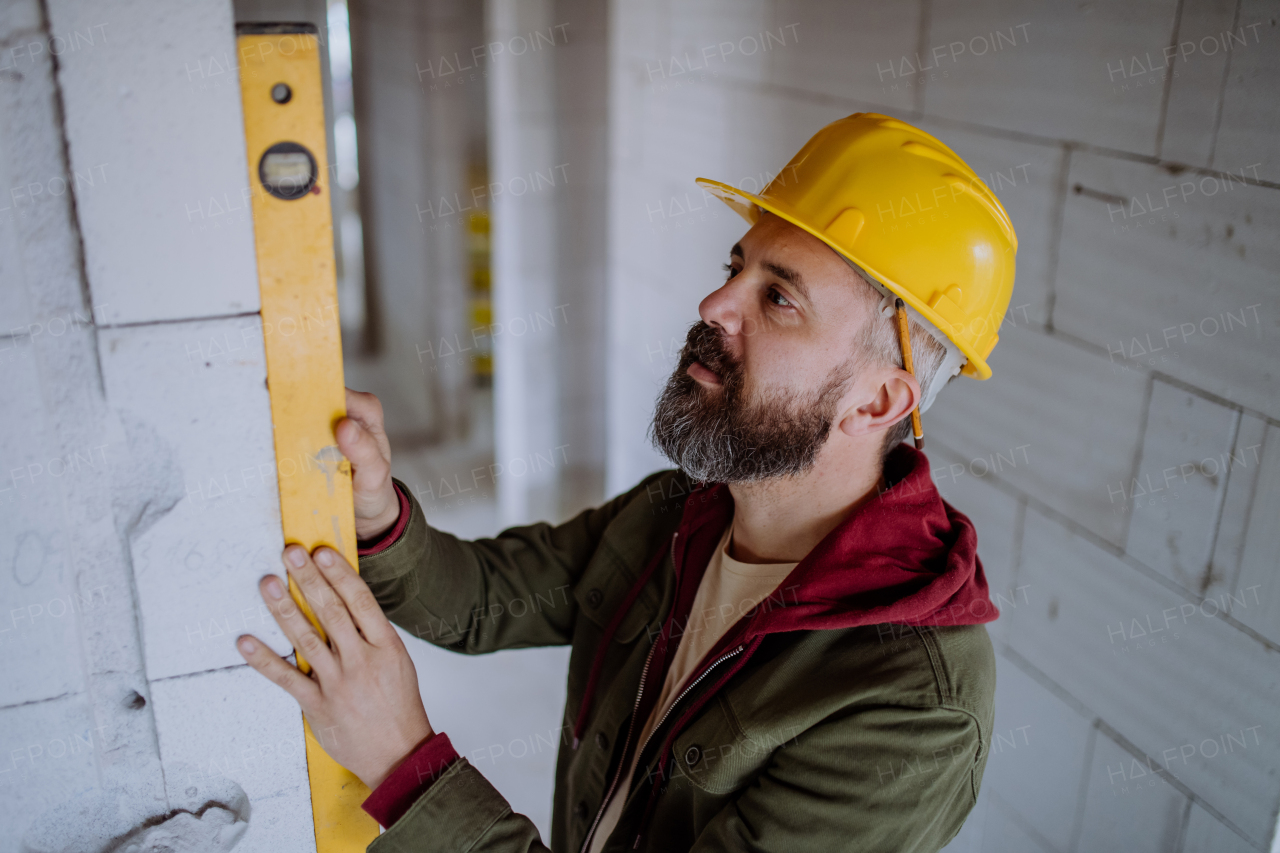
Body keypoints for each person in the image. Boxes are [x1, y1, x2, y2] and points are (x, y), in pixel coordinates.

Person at [237, 112, 1017, 852]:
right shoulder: (682, 515)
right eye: (734, 268)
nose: (714, 304)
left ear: (878, 400)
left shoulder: (912, 706)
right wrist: (378, 513)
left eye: (777, 297)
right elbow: (480, 600)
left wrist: (409, 770)